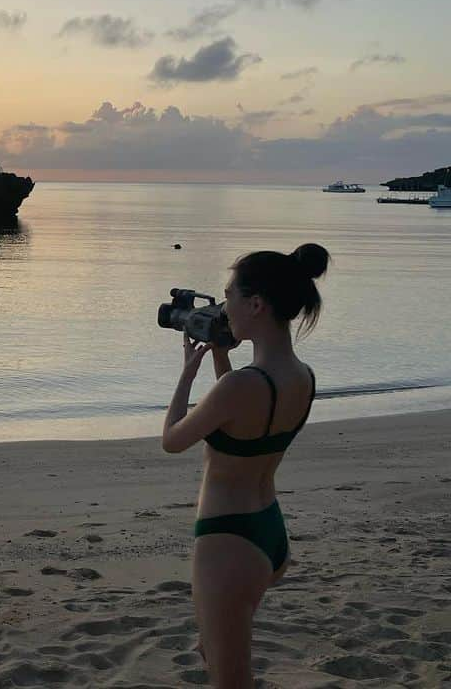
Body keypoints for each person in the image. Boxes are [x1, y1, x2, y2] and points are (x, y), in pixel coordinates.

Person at [161, 243, 329, 688]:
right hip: (268, 534)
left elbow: (172, 439)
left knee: (230, 681)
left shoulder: (240, 386)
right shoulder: (301, 377)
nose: (223, 306)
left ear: (255, 304)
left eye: (229, 295)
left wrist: (186, 374)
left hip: (227, 542)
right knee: (214, 651)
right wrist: (220, 353)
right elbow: (244, 424)